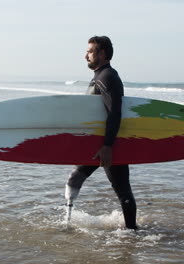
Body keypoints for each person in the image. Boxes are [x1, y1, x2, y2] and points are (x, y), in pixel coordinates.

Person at [65, 36, 137, 230]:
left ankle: (132, 233)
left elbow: (114, 112)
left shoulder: (108, 77)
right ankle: (66, 222)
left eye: (90, 51)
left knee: (122, 191)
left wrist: (107, 146)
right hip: (96, 145)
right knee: (75, 179)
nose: (85, 55)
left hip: (109, 146)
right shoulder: (99, 75)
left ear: (102, 53)